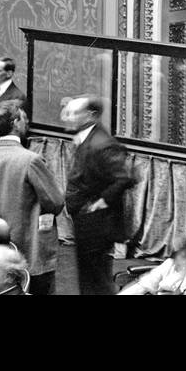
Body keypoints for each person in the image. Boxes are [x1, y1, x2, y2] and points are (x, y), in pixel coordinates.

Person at [0, 103, 65, 295]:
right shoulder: (31, 160)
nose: (27, 122)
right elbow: (56, 202)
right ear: (15, 123)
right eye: (24, 118)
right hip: (33, 250)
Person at [62, 94, 133, 295]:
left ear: (91, 115)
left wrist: (101, 202)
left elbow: (124, 177)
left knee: (96, 278)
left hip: (97, 224)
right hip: (86, 221)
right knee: (88, 276)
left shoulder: (102, 143)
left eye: (75, 113)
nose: (68, 117)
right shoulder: (88, 138)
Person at [120, 221, 186, 295]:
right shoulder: (170, 263)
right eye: (179, 252)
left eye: (184, 254)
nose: (179, 256)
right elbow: (145, 283)